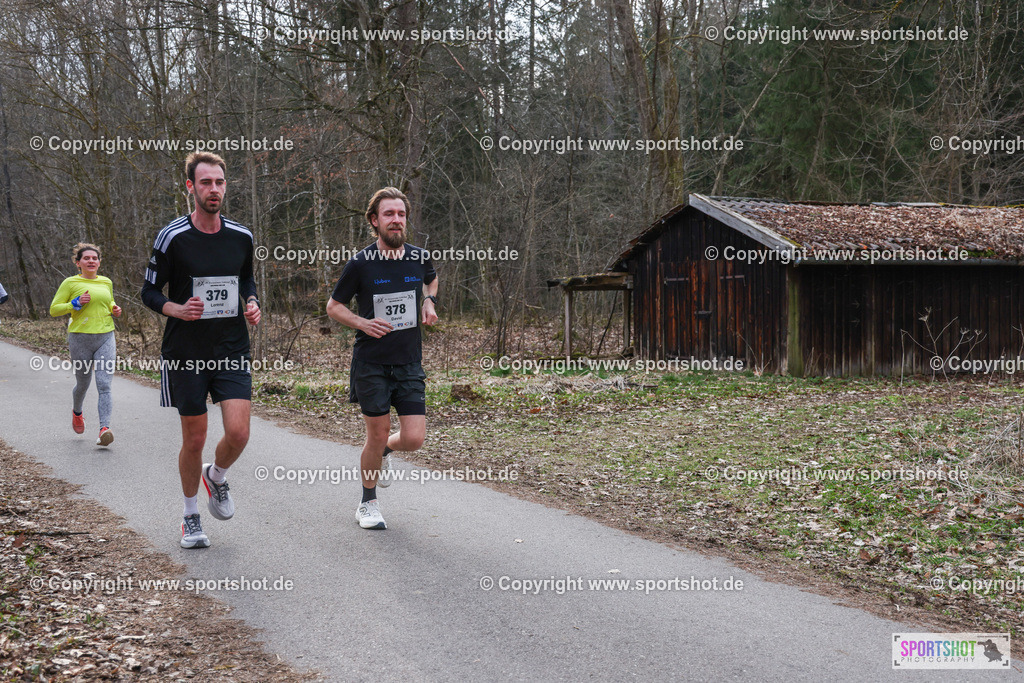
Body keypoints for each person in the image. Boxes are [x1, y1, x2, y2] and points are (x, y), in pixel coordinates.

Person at [141, 151, 261, 549]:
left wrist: (252, 302)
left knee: (239, 432)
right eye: (206, 183)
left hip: (230, 347)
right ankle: (191, 515)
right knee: (194, 439)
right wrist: (176, 308)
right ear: (191, 187)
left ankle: (217, 476)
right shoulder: (172, 236)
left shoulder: (241, 236)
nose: (214, 190)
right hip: (185, 352)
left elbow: (247, 280)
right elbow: (149, 292)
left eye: (220, 183)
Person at [326, 187, 438, 530]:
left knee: (414, 438)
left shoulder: (419, 257)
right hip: (371, 362)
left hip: (408, 361)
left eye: (401, 214)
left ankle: (385, 453)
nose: (396, 220)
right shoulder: (360, 263)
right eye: (389, 214)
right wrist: (362, 322)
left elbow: (431, 282)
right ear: (375, 221)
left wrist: (429, 301)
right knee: (376, 434)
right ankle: (367, 503)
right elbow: (334, 306)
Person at [49, 243, 122, 446]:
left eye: (95, 258)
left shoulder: (106, 282)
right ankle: (77, 412)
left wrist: (114, 309)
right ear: (78, 262)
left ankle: (104, 429)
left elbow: (109, 302)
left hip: (105, 336)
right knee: (83, 383)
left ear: (99, 262)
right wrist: (75, 303)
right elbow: (54, 310)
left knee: (104, 384)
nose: (91, 261)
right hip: (80, 337)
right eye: (87, 258)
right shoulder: (70, 283)